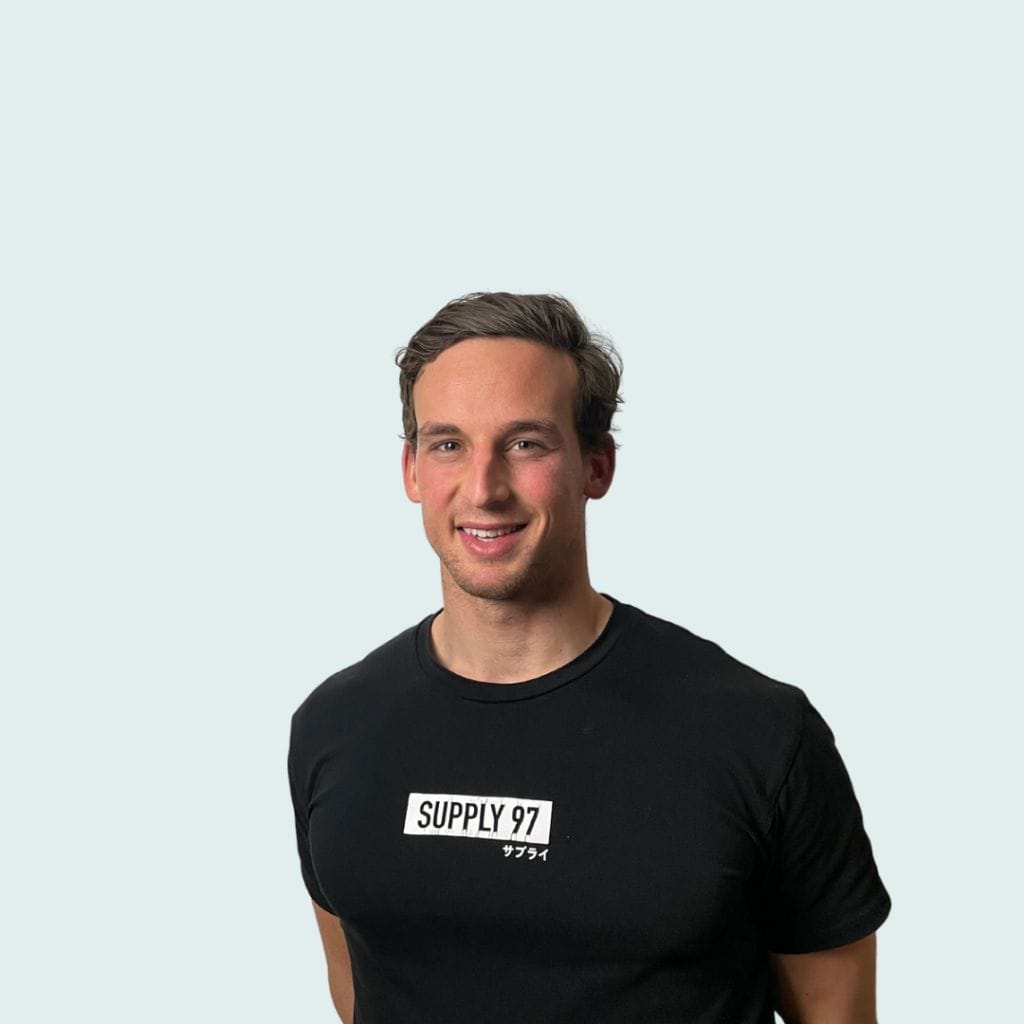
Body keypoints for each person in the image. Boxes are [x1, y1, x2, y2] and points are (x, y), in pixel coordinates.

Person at [287, 292, 891, 1024]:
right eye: (449, 445)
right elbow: (360, 993)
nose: (484, 488)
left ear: (596, 465)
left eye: (525, 444)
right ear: (413, 470)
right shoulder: (335, 727)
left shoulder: (759, 735)